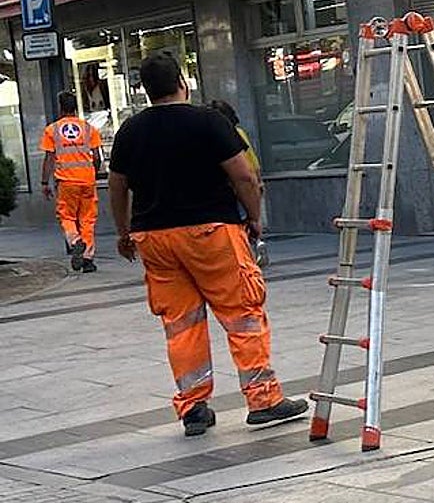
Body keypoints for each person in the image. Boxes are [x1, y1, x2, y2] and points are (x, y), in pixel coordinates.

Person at [108, 51, 307, 437]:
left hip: (155, 239)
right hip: (211, 232)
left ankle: (194, 407)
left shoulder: (130, 130)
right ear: (182, 82)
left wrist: (123, 232)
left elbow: (117, 187)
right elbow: (244, 176)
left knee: (181, 325)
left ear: (146, 91)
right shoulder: (208, 121)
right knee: (242, 313)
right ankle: (263, 399)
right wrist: (253, 217)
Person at [40, 91, 103, 273]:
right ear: (76, 107)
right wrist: (93, 173)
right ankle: (88, 260)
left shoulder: (52, 130)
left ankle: (76, 241)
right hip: (87, 180)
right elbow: (97, 157)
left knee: (67, 216)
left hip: (66, 181)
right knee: (88, 219)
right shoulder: (89, 128)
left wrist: (45, 182)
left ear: (61, 107)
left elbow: (49, 158)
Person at [209, 99, 268, 266]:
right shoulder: (238, 133)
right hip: (246, 184)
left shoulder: (222, 136)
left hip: (233, 187)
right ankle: (255, 246)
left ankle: (246, 253)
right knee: (249, 221)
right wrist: (258, 180)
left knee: (239, 224)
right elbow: (252, 160)